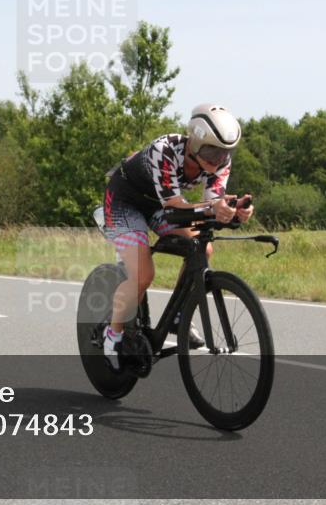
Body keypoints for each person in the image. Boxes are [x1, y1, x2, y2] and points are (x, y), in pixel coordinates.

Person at [101, 104, 254, 370]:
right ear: (194, 142)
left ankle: (178, 316)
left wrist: (233, 208)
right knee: (143, 274)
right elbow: (174, 205)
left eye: (224, 152)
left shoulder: (220, 162)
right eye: (211, 150)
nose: (217, 159)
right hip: (125, 202)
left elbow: (212, 201)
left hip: (159, 204)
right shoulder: (166, 150)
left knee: (202, 249)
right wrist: (212, 209)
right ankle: (112, 336)